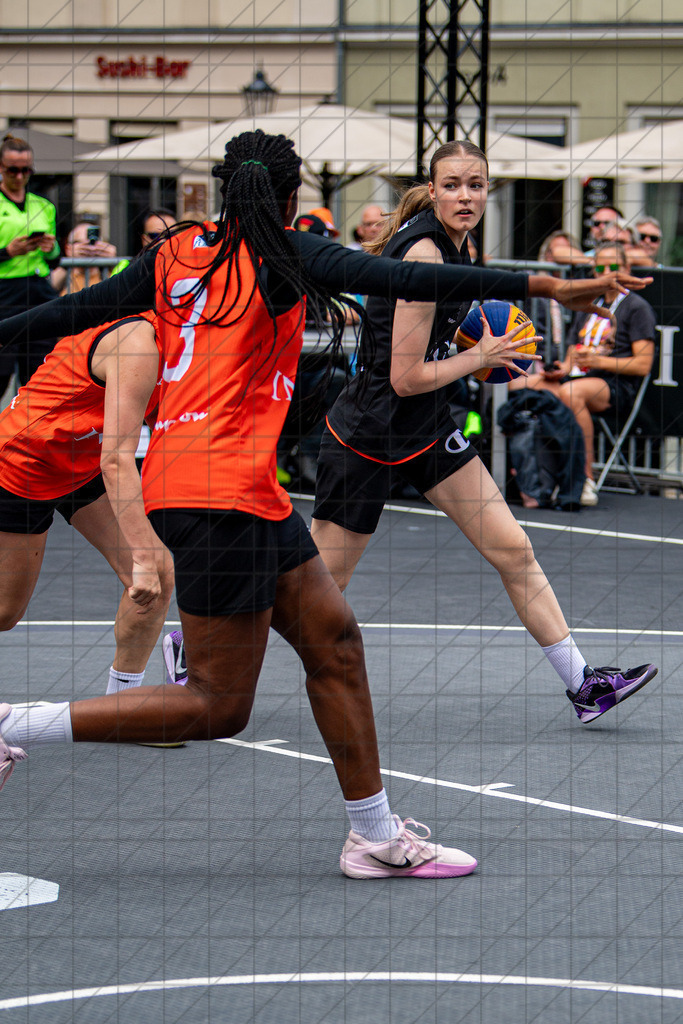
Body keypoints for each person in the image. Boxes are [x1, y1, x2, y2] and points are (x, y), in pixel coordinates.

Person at [0, 132, 655, 878]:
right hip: (217, 493)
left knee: (336, 642)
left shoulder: (174, 253)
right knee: (217, 706)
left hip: (240, 489)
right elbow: (391, 274)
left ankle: (372, 836)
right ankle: (15, 721)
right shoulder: (283, 254)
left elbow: (67, 311)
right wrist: (547, 287)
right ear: (289, 198)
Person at [309, 140, 656, 726]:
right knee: (321, 582)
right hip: (369, 434)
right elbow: (405, 378)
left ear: (487, 189)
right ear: (433, 190)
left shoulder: (457, 243)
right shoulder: (424, 253)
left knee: (513, 548)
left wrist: (475, 341)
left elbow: (437, 342)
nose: (465, 196)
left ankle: (584, 684)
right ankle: (198, 647)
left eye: (475, 185)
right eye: (452, 185)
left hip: (426, 428)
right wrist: (482, 356)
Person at [0, 313, 176, 700]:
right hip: (25, 462)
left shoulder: (183, 344)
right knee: (5, 613)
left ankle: (119, 707)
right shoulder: (137, 340)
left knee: (157, 576)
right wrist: (143, 553)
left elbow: (166, 428)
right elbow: (117, 461)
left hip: (81, 464)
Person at [537, 242, 657, 506]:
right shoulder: (592, 302)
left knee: (571, 392)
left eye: (613, 267)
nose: (606, 273)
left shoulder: (636, 307)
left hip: (616, 385)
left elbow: (643, 365)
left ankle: (584, 478)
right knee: (529, 385)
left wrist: (598, 361)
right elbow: (572, 350)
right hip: (578, 377)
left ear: (626, 268)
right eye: (599, 268)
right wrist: (563, 368)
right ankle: (534, 477)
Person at [0, 133, 60, 400]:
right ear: (1, 168)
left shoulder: (43, 205)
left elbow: (55, 260)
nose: (20, 176)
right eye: (13, 170)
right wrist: (7, 252)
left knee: (38, 375)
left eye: (26, 170)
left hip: (37, 293)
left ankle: (31, 426)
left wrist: (50, 247)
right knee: (1, 372)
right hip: (4, 294)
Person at [51, 219, 123, 295]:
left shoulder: (111, 273)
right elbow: (49, 285)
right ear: (68, 248)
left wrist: (113, 262)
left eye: (93, 242)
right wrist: (69, 260)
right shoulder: (64, 274)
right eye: (80, 242)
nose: (88, 248)